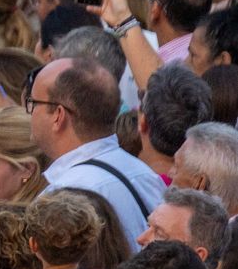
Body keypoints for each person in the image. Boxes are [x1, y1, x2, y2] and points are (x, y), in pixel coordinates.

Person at [34, 56, 165, 246]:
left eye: (33, 103)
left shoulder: (62, 196)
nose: (29, 112)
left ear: (58, 115)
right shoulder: (145, 174)